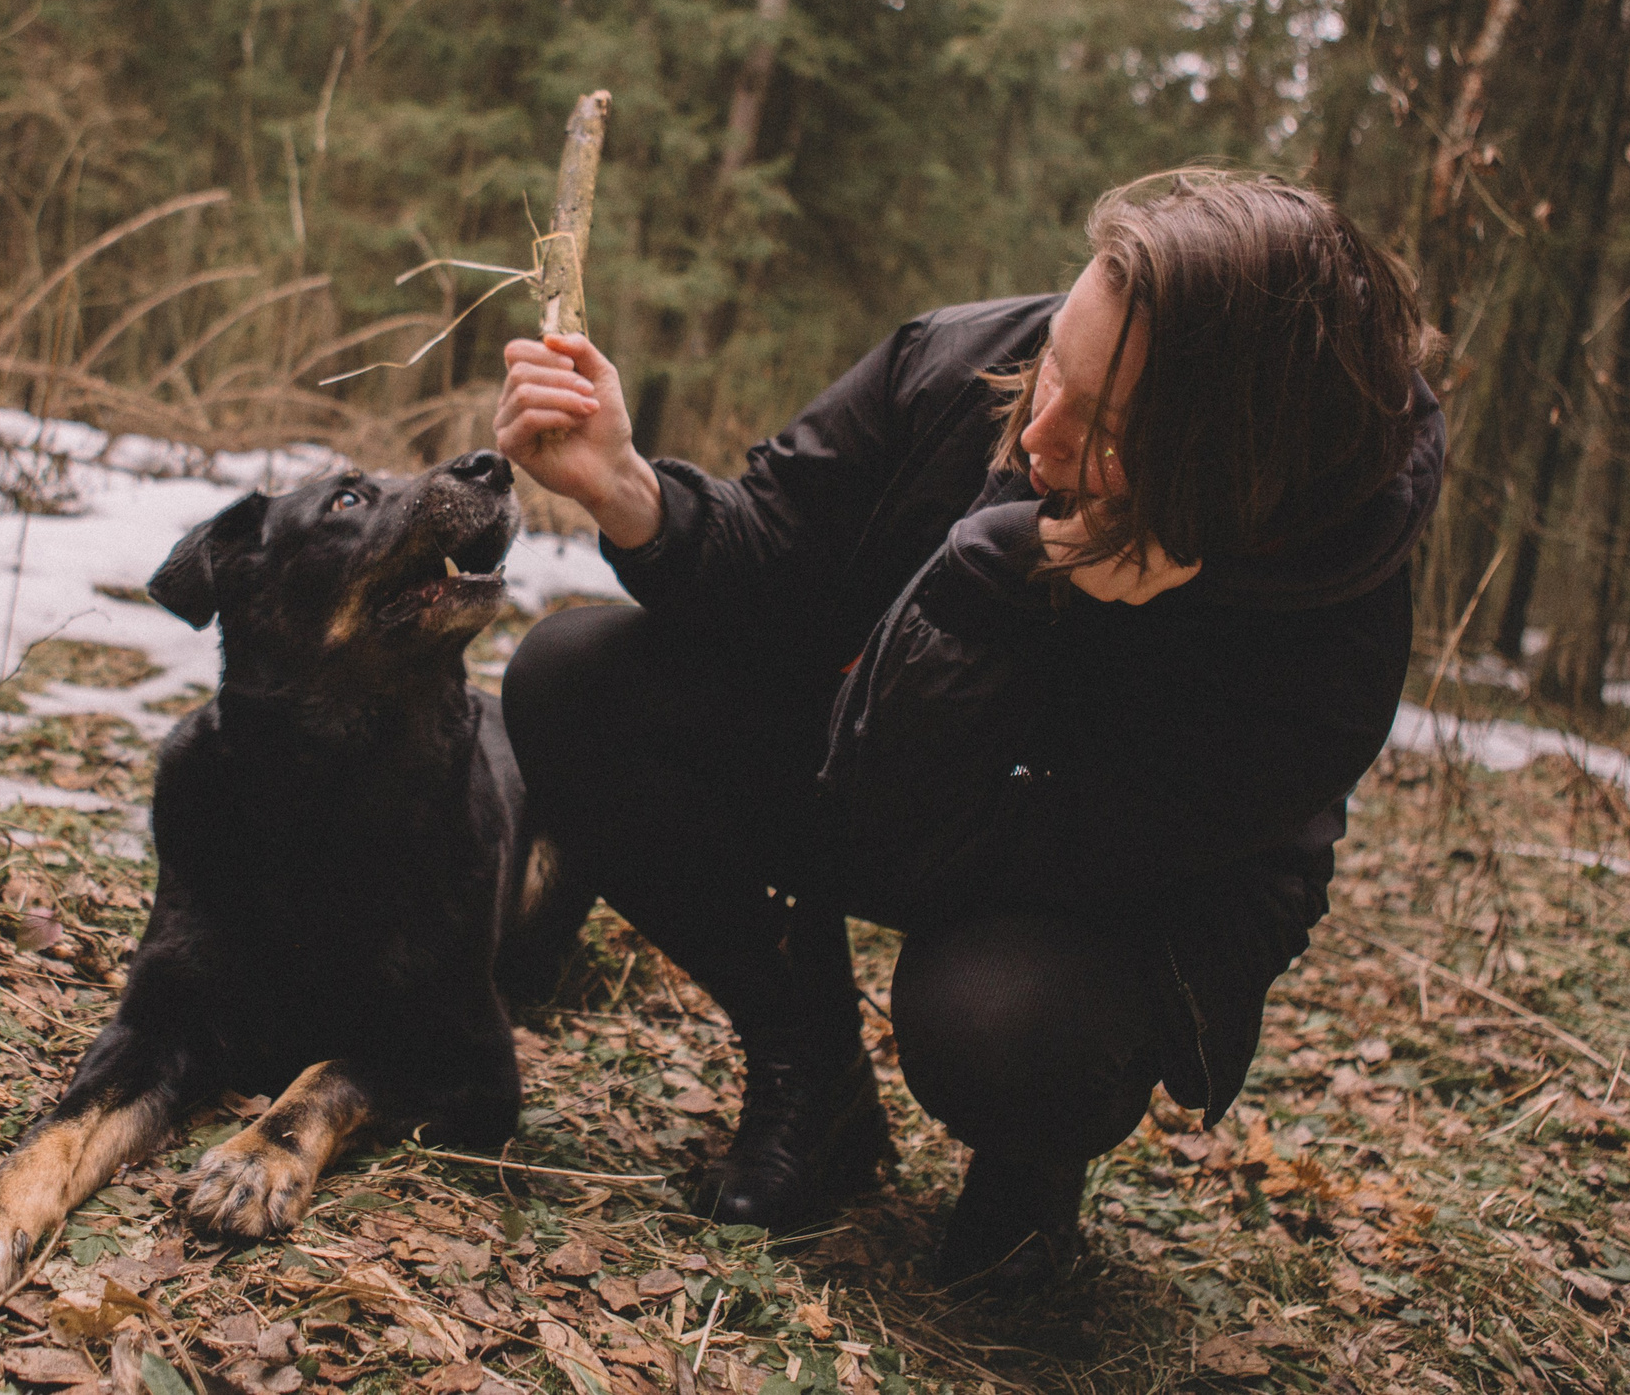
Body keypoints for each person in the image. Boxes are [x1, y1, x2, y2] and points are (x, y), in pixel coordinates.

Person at [492, 170, 1443, 1292]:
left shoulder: (1326, 631)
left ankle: (1029, 1164)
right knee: (574, 678)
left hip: (1092, 898)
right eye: (1054, 362)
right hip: (905, 768)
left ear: (1230, 466)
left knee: (1001, 1017)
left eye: (1102, 423)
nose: (1035, 428)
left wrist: (990, 572)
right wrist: (629, 488)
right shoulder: (958, 361)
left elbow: (1047, 850)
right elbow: (783, 560)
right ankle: (811, 1071)